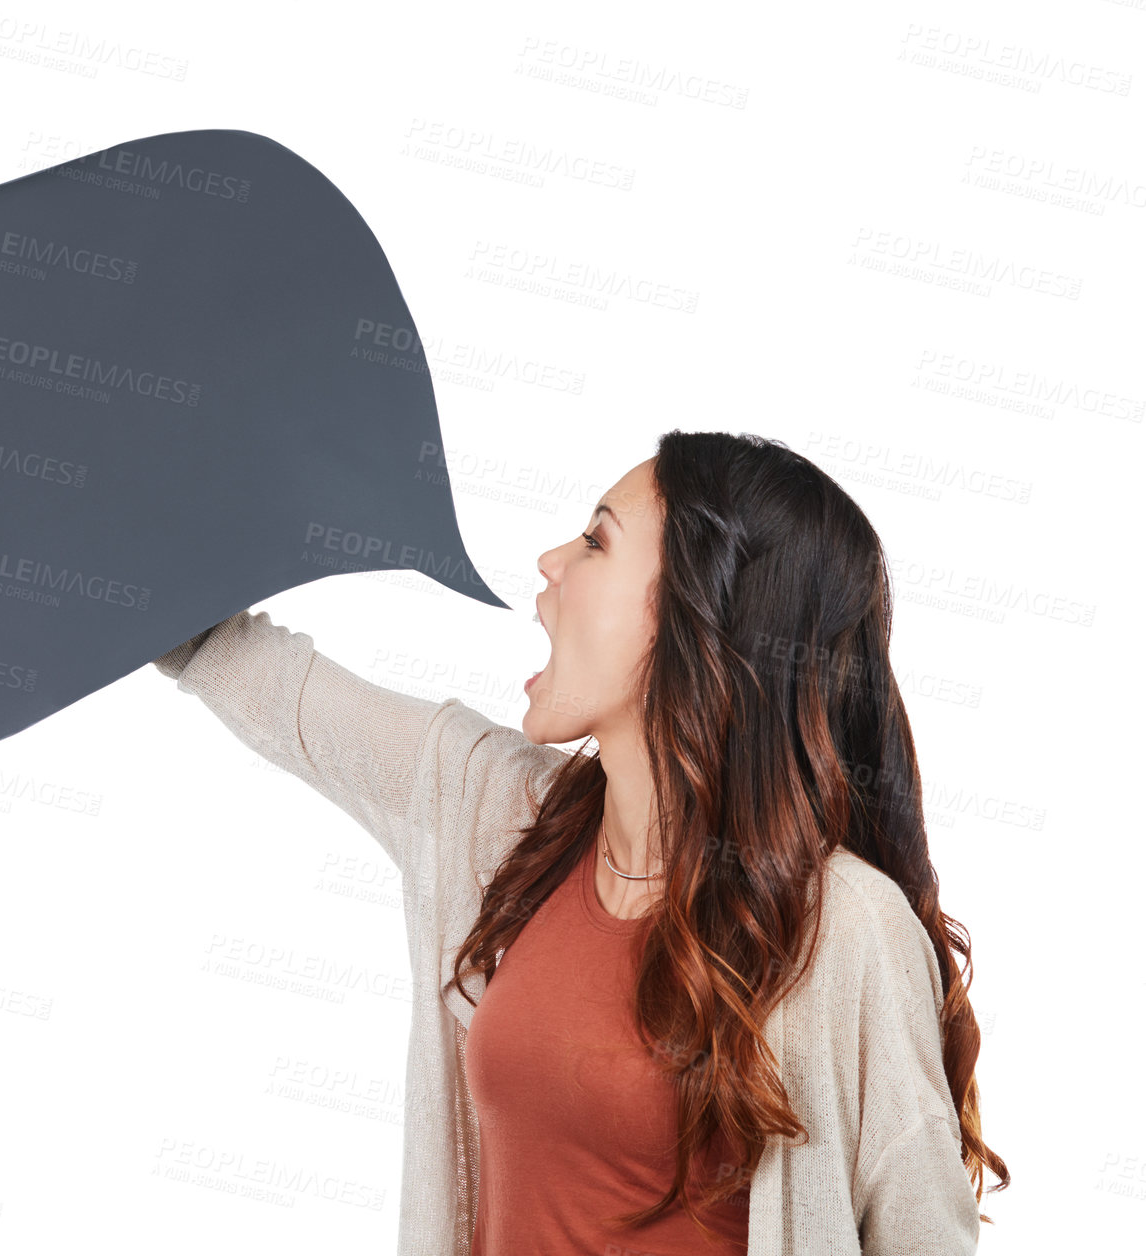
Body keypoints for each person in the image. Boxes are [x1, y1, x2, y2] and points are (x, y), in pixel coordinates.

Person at [154, 430, 1006, 1255]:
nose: (550, 561)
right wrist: (122, 499)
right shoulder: (502, 815)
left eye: (597, 541)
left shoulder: (842, 925)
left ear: (700, 617)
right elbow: (257, 675)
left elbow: (923, 1238)